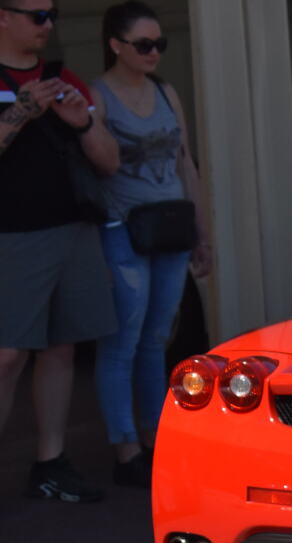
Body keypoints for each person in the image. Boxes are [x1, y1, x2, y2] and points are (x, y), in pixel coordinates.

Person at [0, 0, 120, 502]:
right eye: (36, 15)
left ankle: (50, 462)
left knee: (62, 346)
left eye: (52, 15)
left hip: (72, 227)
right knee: (6, 356)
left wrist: (83, 123)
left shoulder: (66, 76)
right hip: (12, 233)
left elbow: (110, 162)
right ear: (3, 16)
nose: (47, 25)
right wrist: (22, 110)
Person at [91, 2, 209, 488]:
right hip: (125, 229)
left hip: (173, 229)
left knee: (158, 337)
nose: (153, 52)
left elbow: (185, 162)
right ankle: (124, 448)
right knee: (123, 339)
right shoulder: (97, 96)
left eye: (159, 44)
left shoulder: (166, 91)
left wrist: (202, 230)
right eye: (143, 44)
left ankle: (156, 437)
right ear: (116, 45)